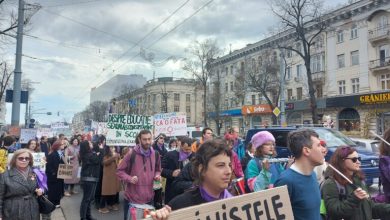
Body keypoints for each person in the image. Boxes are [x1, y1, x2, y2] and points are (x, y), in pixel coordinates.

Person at [322, 146, 390, 219]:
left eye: (358, 159)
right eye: (354, 159)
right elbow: (334, 211)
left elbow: (369, 207)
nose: (358, 162)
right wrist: (354, 198)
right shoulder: (331, 183)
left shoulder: (358, 180)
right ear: (342, 161)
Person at [274, 129, 326, 220]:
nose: (323, 149)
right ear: (306, 151)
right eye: (318, 145)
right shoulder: (286, 181)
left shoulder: (313, 174)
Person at [167, 139, 232, 210]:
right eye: (220, 165)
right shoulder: (180, 206)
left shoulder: (237, 203)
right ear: (202, 169)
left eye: (229, 165)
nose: (229, 171)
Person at [117, 130, 161, 220]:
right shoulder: (131, 154)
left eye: (149, 139)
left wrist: (157, 175)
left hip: (149, 199)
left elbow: (158, 169)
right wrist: (129, 178)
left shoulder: (156, 154)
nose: (147, 142)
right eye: (144, 139)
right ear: (139, 139)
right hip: (132, 199)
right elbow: (119, 171)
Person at [0, 149, 44, 220]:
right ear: (15, 159)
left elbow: (41, 188)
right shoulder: (5, 175)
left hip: (32, 209)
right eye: (21, 158)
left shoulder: (35, 173)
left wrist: (41, 191)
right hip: (13, 211)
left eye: (27, 158)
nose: (24, 160)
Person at [161, 136, 194, 204]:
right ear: (181, 146)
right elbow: (161, 169)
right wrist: (171, 173)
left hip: (189, 191)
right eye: (186, 149)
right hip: (173, 191)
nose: (188, 152)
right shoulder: (170, 155)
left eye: (189, 150)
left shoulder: (194, 156)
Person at [79, 140, 103, 220]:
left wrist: (98, 153)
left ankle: (88, 216)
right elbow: (98, 160)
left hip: (91, 178)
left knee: (89, 199)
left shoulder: (89, 154)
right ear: (87, 146)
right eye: (89, 143)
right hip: (89, 179)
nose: (91, 143)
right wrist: (101, 150)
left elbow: (96, 158)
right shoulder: (88, 155)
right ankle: (83, 217)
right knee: (86, 199)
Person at [99, 145, 120, 214]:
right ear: (108, 149)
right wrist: (113, 157)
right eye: (111, 147)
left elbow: (117, 165)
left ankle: (111, 204)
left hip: (114, 176)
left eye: (114, 147)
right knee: (105, 192)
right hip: (108, 176)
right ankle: (101, 207)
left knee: (113, 191)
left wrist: (118, 158)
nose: (113, 149)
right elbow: (104, 163)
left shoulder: (115, 155)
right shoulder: (106, 155)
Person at [45, 140, 65, 208]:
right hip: (53, 176)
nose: (63, 145)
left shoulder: (61, 153)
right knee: (53, 190)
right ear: (57, 146)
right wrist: (53, 172)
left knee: (59, 189)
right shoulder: (52, 154)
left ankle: (57, 202)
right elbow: (48, 165)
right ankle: (52, 203)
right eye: (62, 144)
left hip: (60, 175)